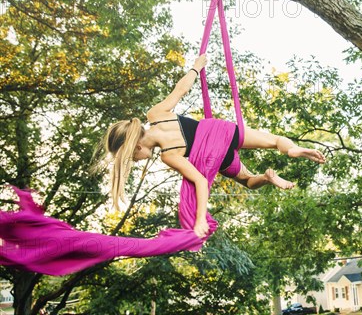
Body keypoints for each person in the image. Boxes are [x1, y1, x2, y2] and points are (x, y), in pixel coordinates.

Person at [101, 54, 326, 240]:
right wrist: (195, 68)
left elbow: (200, 180)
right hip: (220, 131)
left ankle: (266, 178)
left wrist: (200, 219)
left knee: (248, 182)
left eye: (133, 157)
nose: (138, 160)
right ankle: (293, 149)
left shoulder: (168, 155)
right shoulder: (156, 115)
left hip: (212, 156)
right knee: (276, 141)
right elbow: (181, 89)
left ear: (135, 146)